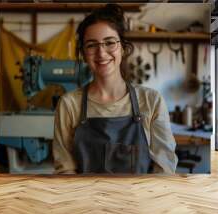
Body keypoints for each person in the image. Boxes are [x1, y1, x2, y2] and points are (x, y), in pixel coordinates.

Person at [52, 4, 177, 174]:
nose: (101, 53)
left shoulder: (151, 101)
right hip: (86, 198)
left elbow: (164, 167)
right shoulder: (69, 105)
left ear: (123, 48)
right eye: (91, 45)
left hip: (140, 198)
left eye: (110, 43)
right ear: (82, 53)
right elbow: (65, 169)